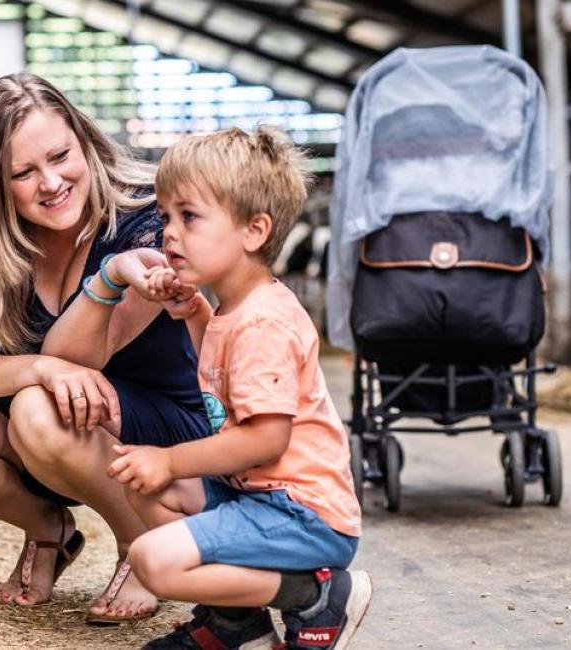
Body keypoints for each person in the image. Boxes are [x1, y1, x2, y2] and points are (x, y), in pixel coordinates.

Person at [0, 72, 212, 623]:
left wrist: (110, 276)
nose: (50, 182)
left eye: (61, 156)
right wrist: (36, 368)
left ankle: (141, 544)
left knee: (40, 409)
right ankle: (48, 529)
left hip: (162, 434)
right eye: (22, 173)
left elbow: (84, 362)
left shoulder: (144, 222)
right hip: (51, 430)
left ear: (84, 141)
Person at [103, 128, 371, 649]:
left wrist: (170, 459)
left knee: (152, 560)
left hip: (302, 514)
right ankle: (237, 624)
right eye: (165, 218)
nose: (169, 234)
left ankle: (314, 596)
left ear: (253, 231)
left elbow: (265, 439)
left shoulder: (262, 322)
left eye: (189, 216)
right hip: (257, 496)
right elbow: (228, 384)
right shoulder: (235, 308)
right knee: (147, 489)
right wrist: (195, 313)